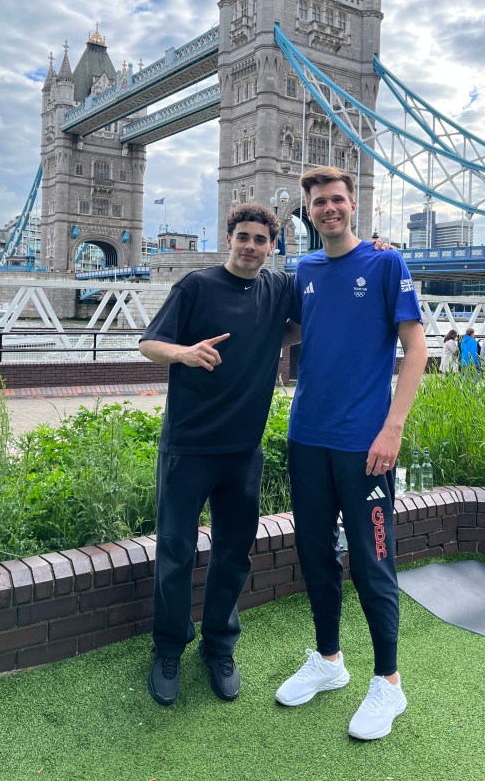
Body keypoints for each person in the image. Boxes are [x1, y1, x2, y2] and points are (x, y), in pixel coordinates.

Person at [274, 166, 427, 742]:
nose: (329, 209)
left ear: (353, 204)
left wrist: (393, 429)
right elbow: (288, 330)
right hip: (306, 434)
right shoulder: (303, 269)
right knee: (314, 553)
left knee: (370, 560)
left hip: (364, 442)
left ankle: (388, 682)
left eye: (337, 199)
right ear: (308, 211)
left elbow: (416, 349)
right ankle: (329, 661)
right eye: (319, 202)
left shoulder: (386, 263)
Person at [138, 203, 298, 706]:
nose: (251, 246)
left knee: (234, 554)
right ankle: (168, 648)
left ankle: (219, 647)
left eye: (260, 240)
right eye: (243, 237)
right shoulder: (196, 286)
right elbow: (148, 343)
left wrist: (376, 251)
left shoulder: (278, 289)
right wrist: (184, 353)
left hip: (242, 449)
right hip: (188, 445)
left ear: (273, 246)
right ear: (229, 238)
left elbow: (316, 305)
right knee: (175, 552)